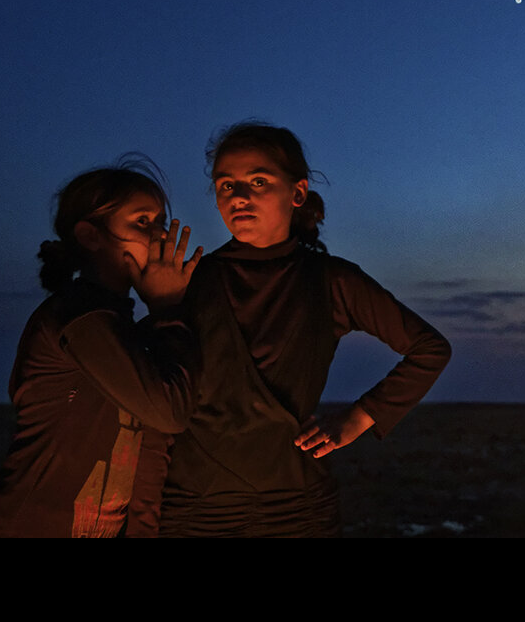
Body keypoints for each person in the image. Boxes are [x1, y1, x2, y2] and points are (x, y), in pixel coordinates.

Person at [155, 121, 451, 537]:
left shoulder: (331, 281)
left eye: (258, 181)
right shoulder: (191, 281)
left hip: (296, 509)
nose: (238, 196)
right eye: (226, 185)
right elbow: (153, 388)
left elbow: (429, 349)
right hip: (195, 510)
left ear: (297, 193)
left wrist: (358, 419)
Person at [0, 155, 204, 538]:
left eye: (161, 222)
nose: (161, 236)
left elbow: (151, 447)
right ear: (90, 236)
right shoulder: (79, 317)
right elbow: (169, 412)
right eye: (142, 222)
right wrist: (167, 309)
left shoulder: (128, 329)